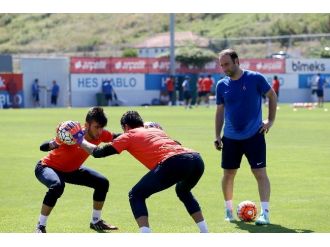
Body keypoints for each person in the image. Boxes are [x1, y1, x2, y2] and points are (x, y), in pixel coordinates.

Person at [72, 110, 208, 233]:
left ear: (125, 127)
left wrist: (80, 140)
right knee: (183, 191)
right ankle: (204, 232)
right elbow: (176, 144)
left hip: (173, 162)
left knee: (136, 195)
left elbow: (98, 153)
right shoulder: (156, 130)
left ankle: (145, 235)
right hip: (196, 159)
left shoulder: (128, 135)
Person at [214, 48, 277, 225]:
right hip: (230, 137)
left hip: (254, 135)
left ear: (237, 61)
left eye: (227, 64)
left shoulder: (255, 78)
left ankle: (265, 213)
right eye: (221, 65)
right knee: (228, 174)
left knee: (260, 173)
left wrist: (270, 121)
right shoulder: (221, 85)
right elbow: (219, 111)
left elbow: (271, 95)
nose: (224, 68)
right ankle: (228, 210)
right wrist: (217, 135)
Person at [34, 107, 119, 233]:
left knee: (102, 183)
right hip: (47, 167)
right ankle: (40, 227)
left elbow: (117, 136)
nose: (100, 131)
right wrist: (54, 143)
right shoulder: (71, 134)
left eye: (102, 127)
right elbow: (43, 147)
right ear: (87, 125)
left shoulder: (101, 135)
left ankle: (96, 221)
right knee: (57, 185)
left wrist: (140, 131)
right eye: (96, 127)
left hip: (71, 171)